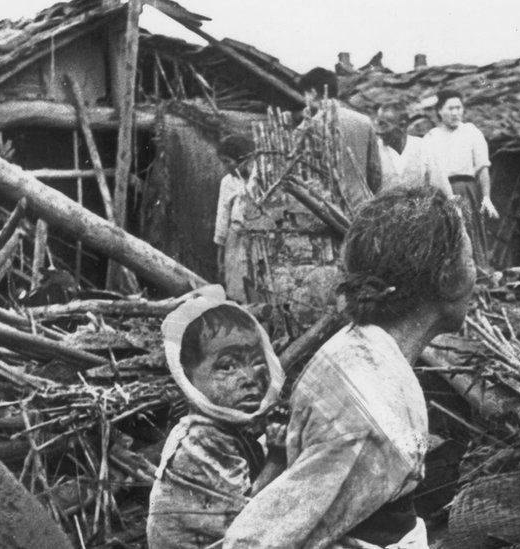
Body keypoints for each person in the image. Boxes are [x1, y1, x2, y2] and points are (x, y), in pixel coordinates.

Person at [223, 186, 477, 548]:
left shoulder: (357, 346)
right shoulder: (372, 409)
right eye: (469, 258)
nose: (477, 271)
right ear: (446, 278)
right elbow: (257, 541)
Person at [147, 287, 285, 549]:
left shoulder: (224, 429)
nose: (249, 378)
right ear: (188, 376)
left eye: (257, 362)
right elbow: (252, 522)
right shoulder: (199, 441)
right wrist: (277, 458)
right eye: (228, 366)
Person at [423, 90, 498, 268]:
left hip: (467, 190)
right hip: (441, 192)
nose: (455, 113)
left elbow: (482, 167)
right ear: (440, 111)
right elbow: (428, 173)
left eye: (459, 108)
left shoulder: (472, 132)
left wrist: (486, 197)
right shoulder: (431, 137)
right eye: (450, 108)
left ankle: (480, 276)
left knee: (471, 233)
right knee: (447, 236)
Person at [298, 67, 382, 215]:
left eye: (305, 94)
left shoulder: (306, 129)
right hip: (362, 208)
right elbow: (375, 173)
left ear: (312, 93)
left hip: (326, 211)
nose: (305, 99)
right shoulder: (364, 122)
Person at [374, 102, 451, 197]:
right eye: (378, 124)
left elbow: (441, 188)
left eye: (384, 125)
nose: (378, 131)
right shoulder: (375, 151)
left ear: (402, 125)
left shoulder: (424, 147)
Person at [214, 135, 256, 302]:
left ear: (242, 160)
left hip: (257, 239)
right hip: (235, 241)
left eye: (227, 162)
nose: (225, 167)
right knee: (236, 286)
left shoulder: (259, 177)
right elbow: (222, 218)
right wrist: (220, 255)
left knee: (256, 283)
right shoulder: (227, 182)